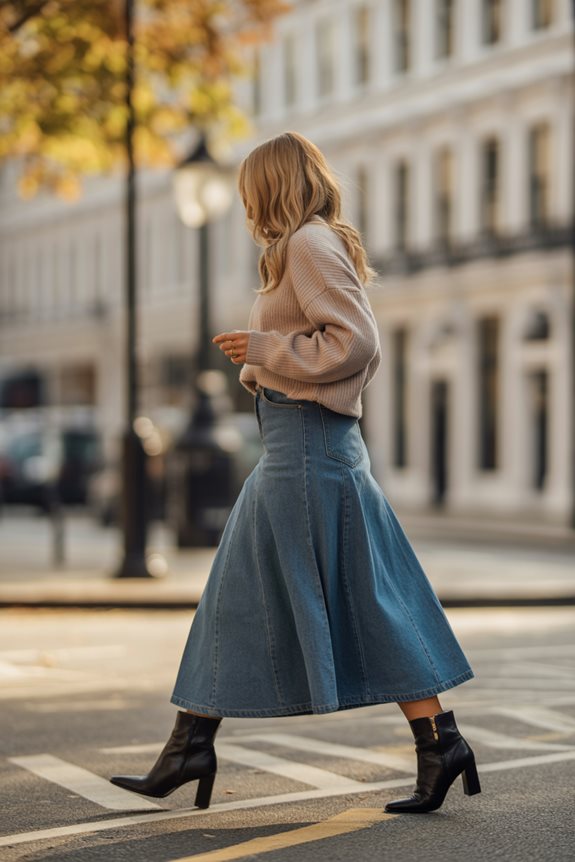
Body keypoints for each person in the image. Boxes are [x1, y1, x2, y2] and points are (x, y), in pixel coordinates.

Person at [111, 131, 481, 815]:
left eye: (250, 190)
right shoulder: (302, 247)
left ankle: (438, 742)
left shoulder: (309, 244)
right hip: (296, 449)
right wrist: (265, 353)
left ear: (271, 186)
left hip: (306, 451)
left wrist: (264, 348)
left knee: (359, 599)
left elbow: (356, 340)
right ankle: (194, 743)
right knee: (244, 596)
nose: (246, 205)